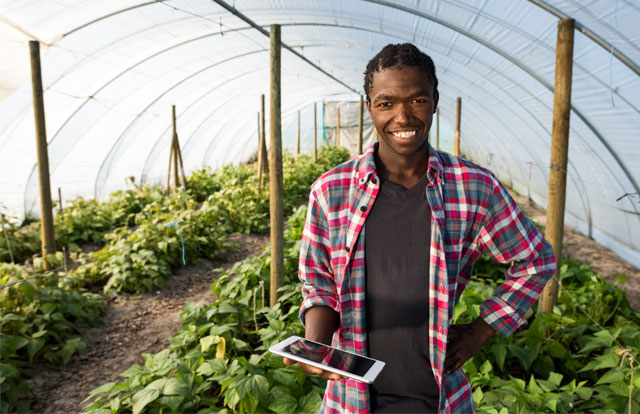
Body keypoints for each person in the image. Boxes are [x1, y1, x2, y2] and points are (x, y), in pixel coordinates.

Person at [284, 43, 556, 413]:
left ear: (435, 100)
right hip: (352, 397)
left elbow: (536, 260)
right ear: (369, 108)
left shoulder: (472, 187)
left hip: (440, 397)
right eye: (386, 103)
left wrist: (481, 329)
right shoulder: (332, 191)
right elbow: (319, 281)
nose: (403, 117)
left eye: (417, 100)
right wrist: (317, 346)